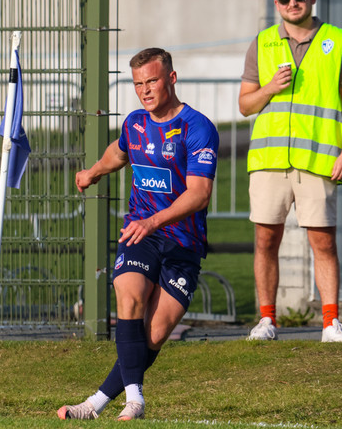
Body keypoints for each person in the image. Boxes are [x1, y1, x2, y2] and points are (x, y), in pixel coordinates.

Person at [58, 48, 219, 420]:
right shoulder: (135, 124)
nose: (145, 90)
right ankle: (135, 401)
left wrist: (154, 221)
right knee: (128, 296)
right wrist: (92, 173)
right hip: (140, 233)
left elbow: (199, 194)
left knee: (155, 334)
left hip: (182, 242)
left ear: (171, 79)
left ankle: (95, 404)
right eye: (138, 84)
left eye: (152, 81)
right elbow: (117, 153)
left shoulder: (198, 128)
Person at [239, 0, 342, 343]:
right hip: (269, 162)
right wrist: (270, 88)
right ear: (277, 3)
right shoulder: (262, 43)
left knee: (324, 243)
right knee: (265, 242)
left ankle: (330, 324)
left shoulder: (337, 40)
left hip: (318, 162)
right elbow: (245, 105)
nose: (293, 3)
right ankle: (266, 321)